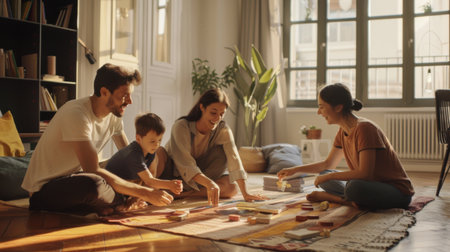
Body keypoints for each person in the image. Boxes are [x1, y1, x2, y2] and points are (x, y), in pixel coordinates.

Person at [22, 63, 174, 216]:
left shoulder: (113, 117)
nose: (129, 101)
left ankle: (107, 205)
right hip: (43, 191)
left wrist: (140, 187)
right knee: (93, 184)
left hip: (73, 179)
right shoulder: (77, 114)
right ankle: (114, 204)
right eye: (124, 96)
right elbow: (92, 169)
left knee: (112, 179)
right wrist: (145, 193)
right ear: (104, 92)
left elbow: (132, 157)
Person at [277, 83, 414, 210]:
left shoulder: (365, 128)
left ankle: (339, 199)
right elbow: (328, 164)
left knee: (353, 187)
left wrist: (329, 178)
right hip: (371, 186)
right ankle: (350, 198)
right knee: (325, 174)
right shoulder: (343, 132)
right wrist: (295, 170)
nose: (319, 112)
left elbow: (365, 173)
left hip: (397, 193)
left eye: (322, 106)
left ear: (338, 107)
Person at [158, 88, 267, 206]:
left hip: (199, 176)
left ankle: (184, 194)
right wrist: (210, 184)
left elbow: (234, 158)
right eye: (213, 113)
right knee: (158, 152)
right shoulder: (181, 126)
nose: (217, 118)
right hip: (173, 172)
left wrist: (245, 193)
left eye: (221, 114)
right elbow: (186, 164)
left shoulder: (222, 129)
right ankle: (174, 190)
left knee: (232, 188)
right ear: (202, 108)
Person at [105, 113, 183, 210]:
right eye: (152, 141)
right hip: (111, 185)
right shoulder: (133, 154)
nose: (157, 145)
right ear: (138, 138)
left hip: (128, 185)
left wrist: (139, 198)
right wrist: (169, 184)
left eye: (160, 140)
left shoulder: (150, 152)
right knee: (115, 208)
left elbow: (150, 179)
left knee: (140, 199)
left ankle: (129, 203)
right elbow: (149, 181)